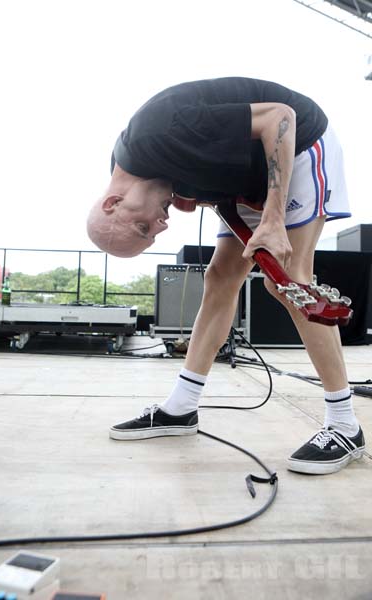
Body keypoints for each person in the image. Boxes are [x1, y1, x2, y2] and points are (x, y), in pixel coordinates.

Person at [87, 77, 365, 475]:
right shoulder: (134, 165)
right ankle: (180, 409)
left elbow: (279, 118)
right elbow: (203, 167)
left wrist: (272, 217)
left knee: (289, 280)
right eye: (150, 235)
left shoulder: (162, 131)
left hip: (297, 145)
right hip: (246, 183)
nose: (159, 228)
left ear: (114, 202)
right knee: (219, 278)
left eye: (144, 229)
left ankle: (344, 425)